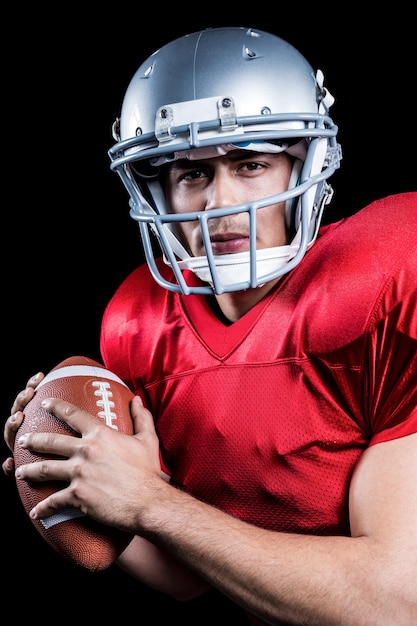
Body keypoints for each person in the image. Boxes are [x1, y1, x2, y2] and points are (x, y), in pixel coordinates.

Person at [3, 26, 417, 625]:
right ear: (159, 192)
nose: (218, 202)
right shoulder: (136, 322)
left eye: (249, 164)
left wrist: (149, 502)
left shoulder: (387, 275)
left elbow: (396, 602)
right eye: (191, 175)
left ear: (309, 167)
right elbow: (188, 576)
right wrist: (75, 480)